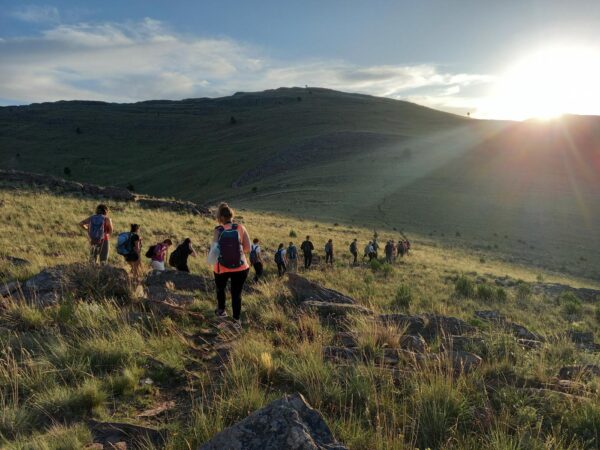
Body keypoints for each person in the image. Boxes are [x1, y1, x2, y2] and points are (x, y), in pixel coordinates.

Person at [212, 203, 251, 326]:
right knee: (236, 293)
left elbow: (214, 251)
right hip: (240, 267)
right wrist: (235, 253)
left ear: (221, 218)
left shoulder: (218, 230)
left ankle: (222, 312)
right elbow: (247, 248)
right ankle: (236, 321)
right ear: (231, 215)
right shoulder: (240, 227)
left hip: (221, 267)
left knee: (220, 289)